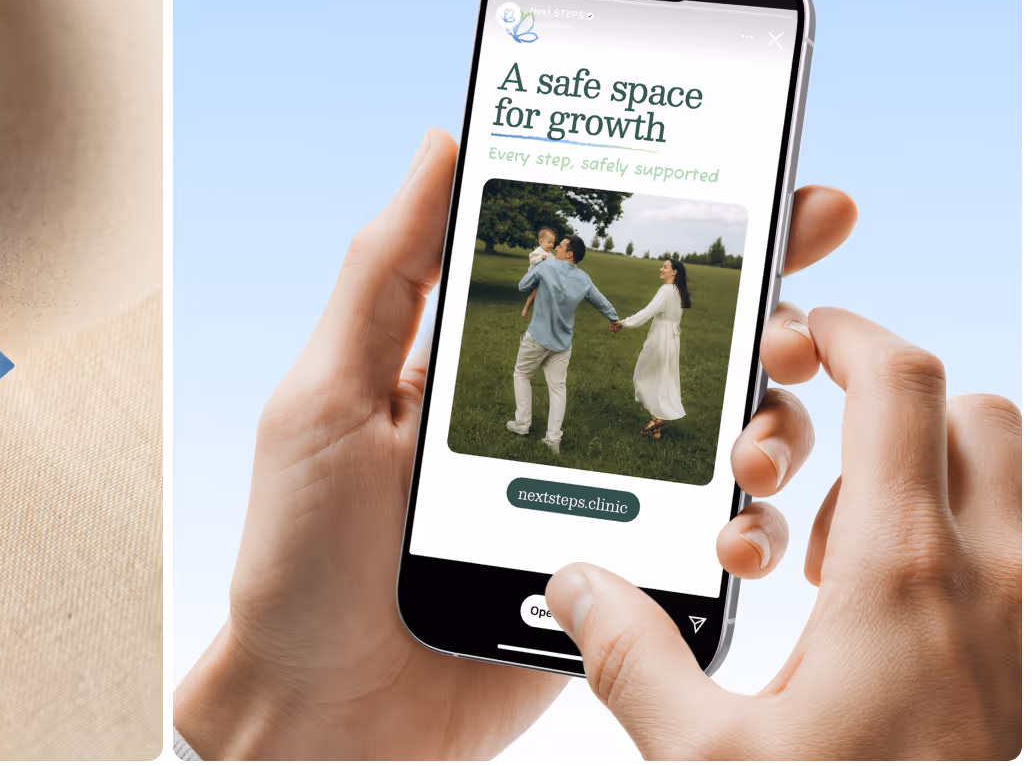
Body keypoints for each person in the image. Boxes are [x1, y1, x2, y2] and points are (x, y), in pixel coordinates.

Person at [172, 128, 1020, 761]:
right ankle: (530, 428)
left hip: (575, 349)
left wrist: (291, 709)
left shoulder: (601, 281)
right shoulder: (553, 267)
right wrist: (291, 696)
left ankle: (551, 432)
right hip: (531, 346)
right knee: (531, 386)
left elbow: (616, 308)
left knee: (576, 396)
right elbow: (541, 281)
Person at [508, 233, 622, 454]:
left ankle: (522, 424)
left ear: (569, 253)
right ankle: (553, 440)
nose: (555, 249)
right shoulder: (584, 279)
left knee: (522, 375)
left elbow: (523, 286)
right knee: (558, 389)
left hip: (537, 339)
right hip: (562, 344)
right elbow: (601, 301)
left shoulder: (546, 266)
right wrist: (614, 318)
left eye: (560, 246)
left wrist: (536, 266)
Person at [608, 258, 691, 440]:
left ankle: (657, 418)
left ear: (674, 272)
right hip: (673, 340)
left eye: (665, 267)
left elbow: (648, 312)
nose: (661, 269)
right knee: (661, 378)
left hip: (660, 339)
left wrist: (623, 323)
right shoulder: (678, 291)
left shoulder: (667, 290)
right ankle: (656, 429)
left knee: (643, 376)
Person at [519, 226, 558, 319]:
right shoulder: (538, 251)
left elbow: (554, 262)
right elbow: (532, 259)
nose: (551, 245)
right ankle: (525, 308)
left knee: (537, 294)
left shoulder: (550, 254)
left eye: (553, 242)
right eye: (549, 242)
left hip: (542, 278)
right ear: (541, 242)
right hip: (533, 277)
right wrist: (541, 258)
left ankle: (542, 312)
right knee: (534, 294)